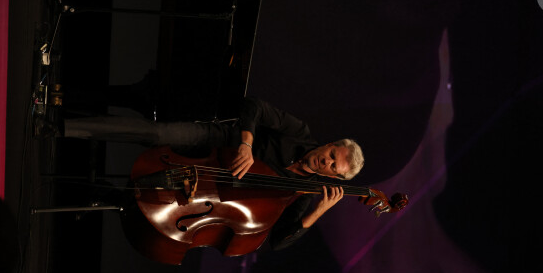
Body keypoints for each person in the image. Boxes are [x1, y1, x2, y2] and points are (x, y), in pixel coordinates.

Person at [37, 97, 365, 250]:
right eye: (332, 155)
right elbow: (254, 107)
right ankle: (61, 126)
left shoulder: (299, 195)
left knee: (145, 206)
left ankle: (91, 191)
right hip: (215, 144)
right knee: (155, 134)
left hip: (207, 194)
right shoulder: (299, 131)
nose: (327, 163)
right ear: (330, 144)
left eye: (334, 168)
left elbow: (277, 241)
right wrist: (247, 144)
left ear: (334, 179)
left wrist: (317, 213)